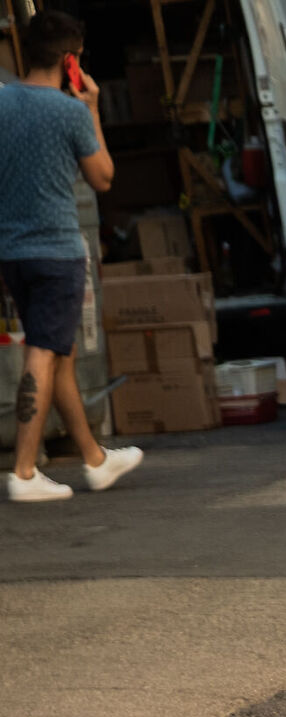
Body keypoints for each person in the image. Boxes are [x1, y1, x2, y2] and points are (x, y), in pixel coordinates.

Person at [1, 11, 140, 504]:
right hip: (57, 249)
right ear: (71, 61)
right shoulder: (71, 113)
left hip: (11, 250)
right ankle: (22, 471)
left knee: (60, 351)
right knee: (45, 348)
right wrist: (93, 109)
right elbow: (103, 178)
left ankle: (94, 460)